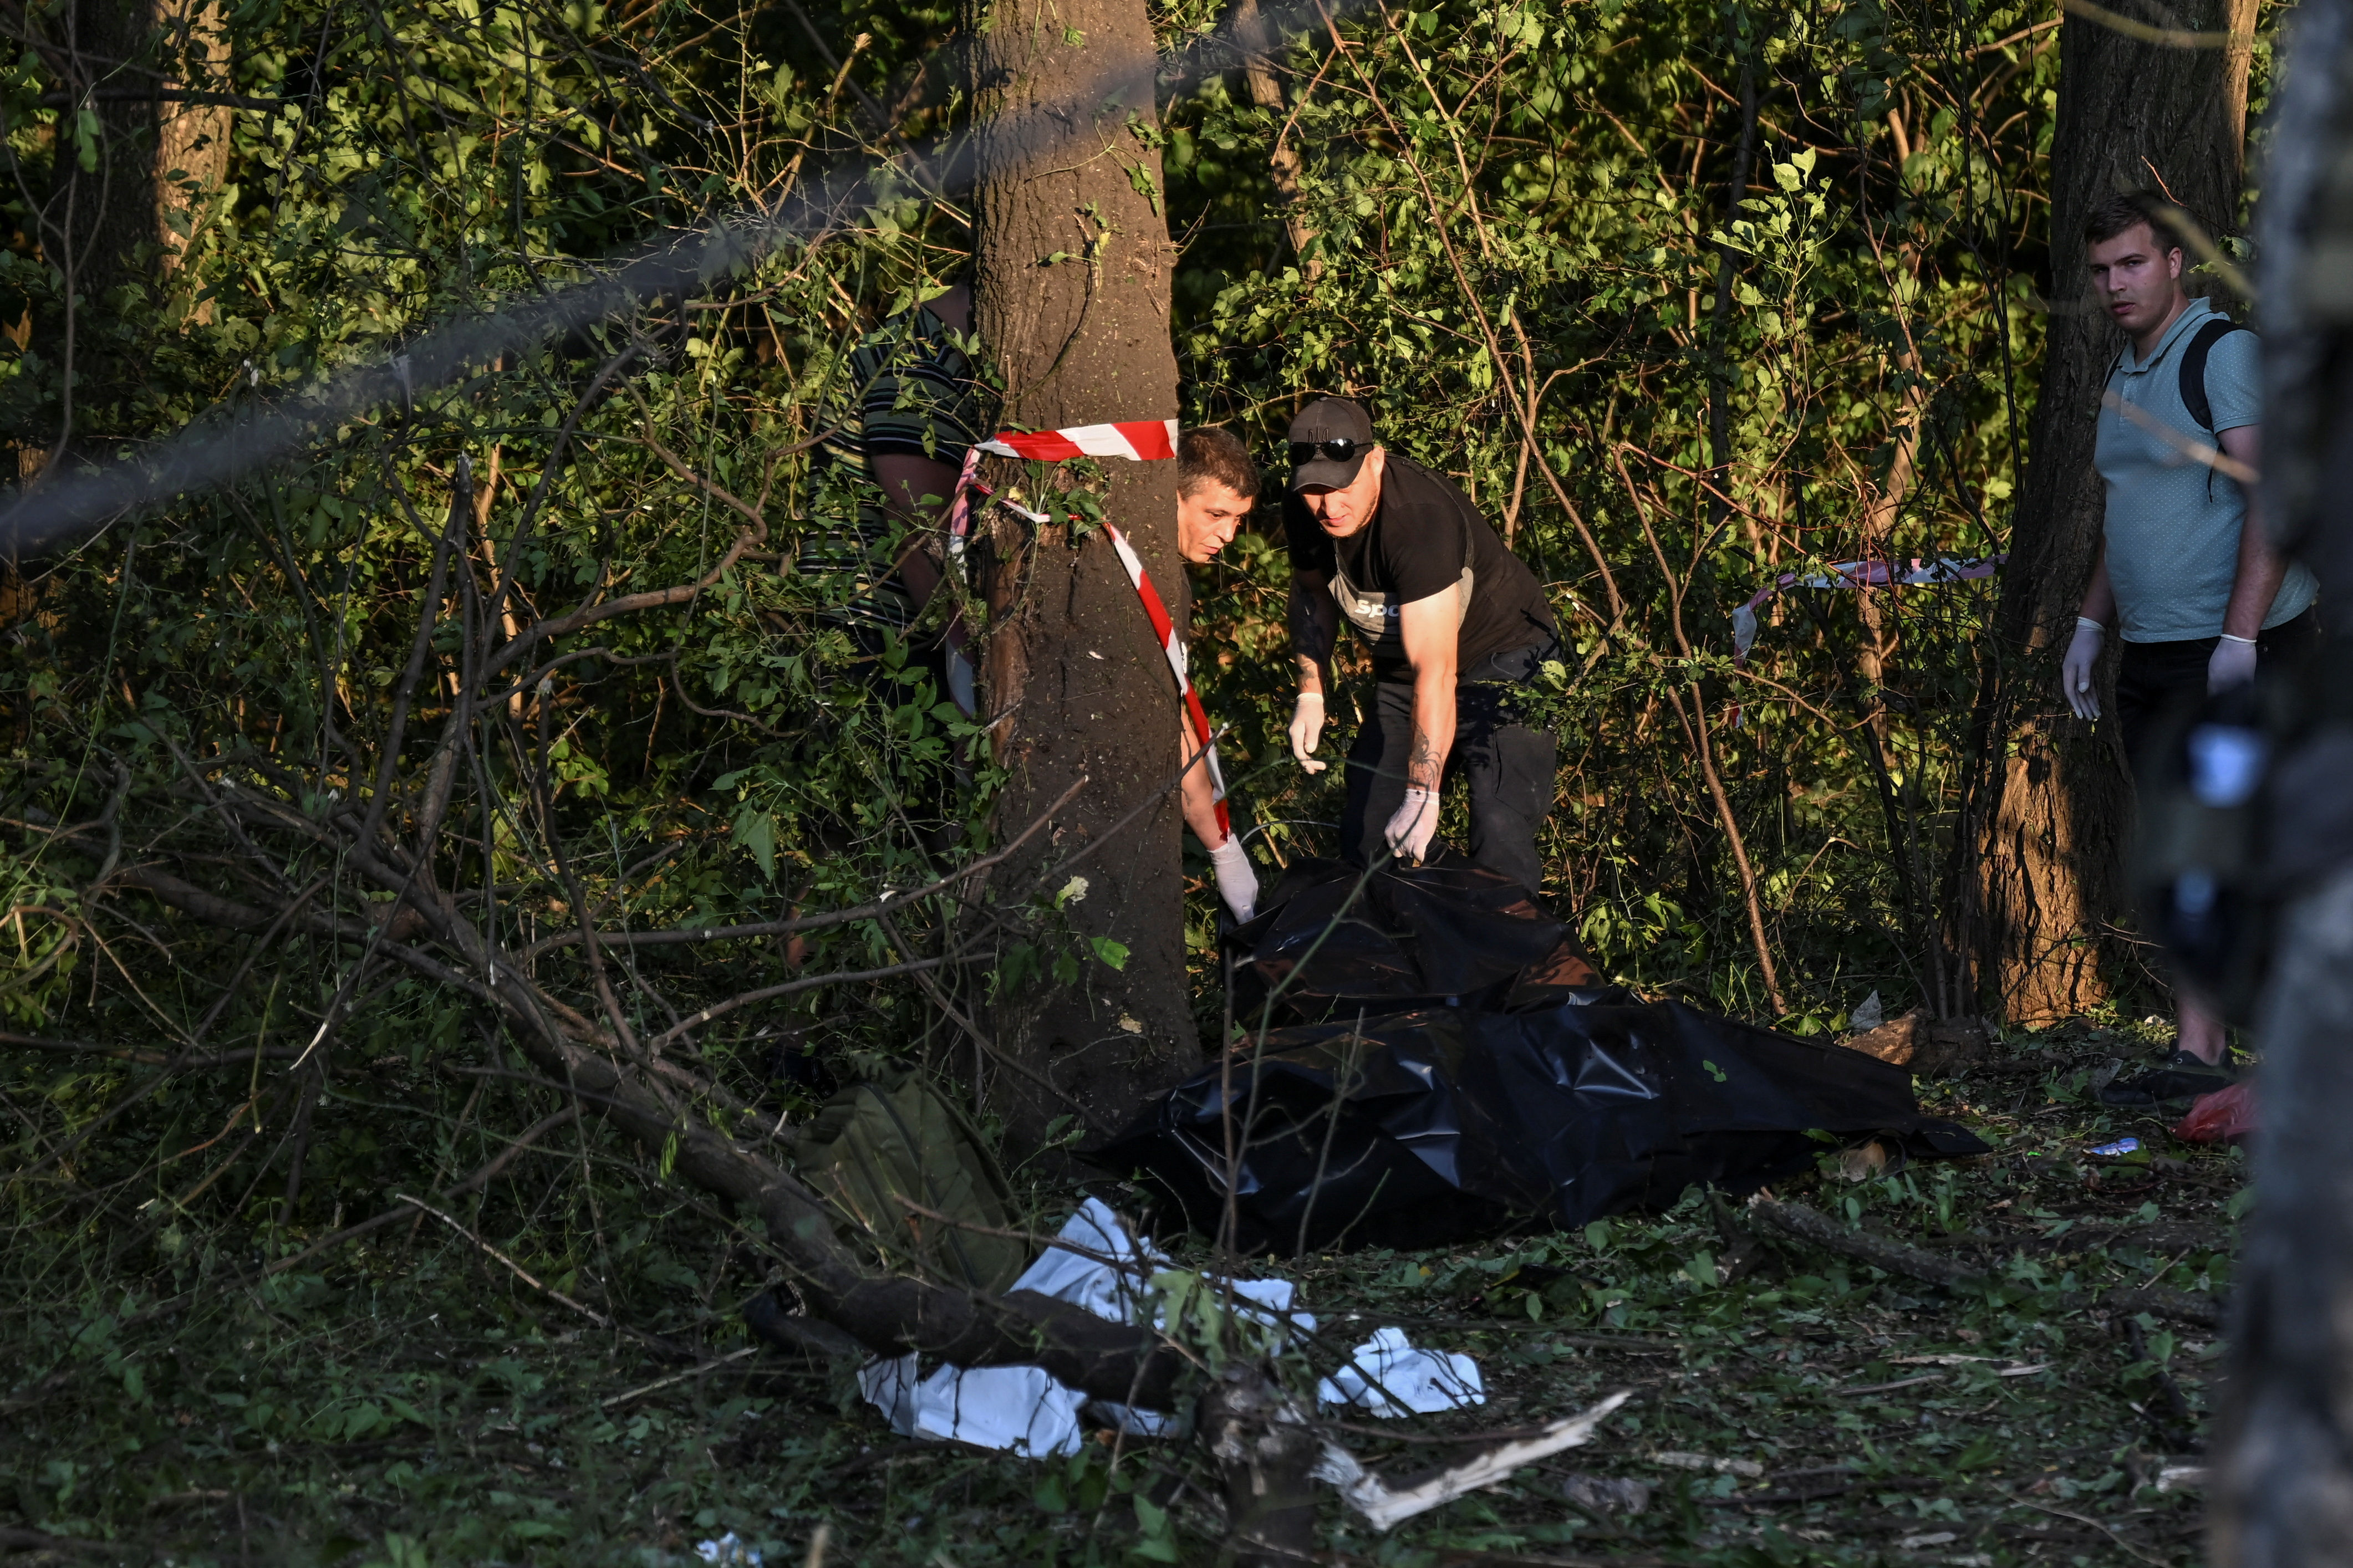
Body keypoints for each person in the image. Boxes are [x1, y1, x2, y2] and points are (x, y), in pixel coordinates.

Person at [2056, 192, 2321, 1107]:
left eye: (2130, 263)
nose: (2112, 285)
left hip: (2236, 651)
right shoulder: (2125, 376)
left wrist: (2239, 638)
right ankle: (2197, 1055)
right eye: (2099, 271)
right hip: (2154, 655)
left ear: (2174, 263)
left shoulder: (2221, 356)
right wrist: (2091, 624)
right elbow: (2127, 510)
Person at [1280, 397, 1561, 893]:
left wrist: (1421, 792)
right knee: (1367, 835)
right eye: (1316, 491)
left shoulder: (1417, 522)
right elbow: (1309, 591)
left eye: (1342, 486)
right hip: (1404, 672)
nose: (1330, 506)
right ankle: (1393, 960)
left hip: (1507, 655)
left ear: (1375, 461)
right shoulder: (1305, 508)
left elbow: (1438, 669)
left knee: (1499, 826)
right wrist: (1311, 691)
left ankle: (1508, 958)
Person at [803, 275, 984, 704]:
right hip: (880, 643)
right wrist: (977, 663)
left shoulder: (937, 355)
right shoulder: (914, 362)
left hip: (904, 637)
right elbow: (918, 534)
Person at [1172, 426, 1261, 923]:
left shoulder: (1171, 577)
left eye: (1237, 520)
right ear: (1173, 494)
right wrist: (1221, 849)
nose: (1229, 536)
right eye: (1216, 514)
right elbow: (1174, 729)